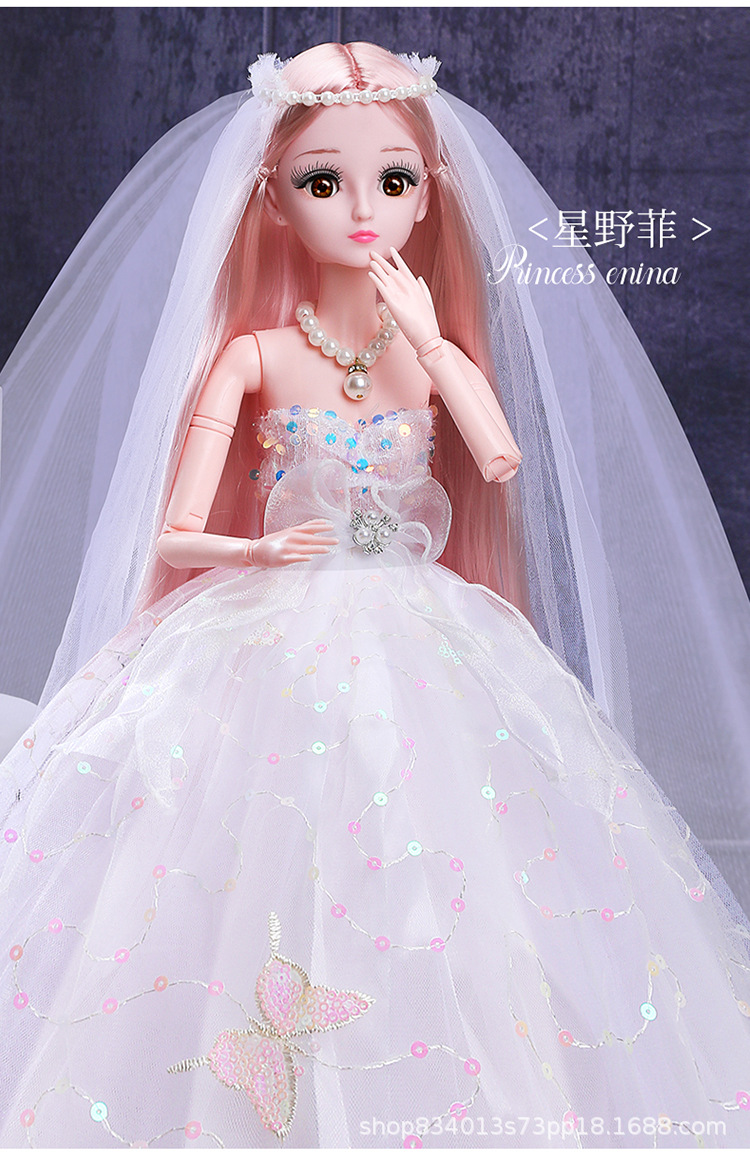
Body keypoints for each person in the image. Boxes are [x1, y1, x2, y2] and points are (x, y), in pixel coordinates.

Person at [1, 41, 749, 1149]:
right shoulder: (252, 355)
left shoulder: (428, 353)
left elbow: (499, 459)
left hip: (422, 623)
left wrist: (436, 346)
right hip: (265, 622)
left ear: (427, 196)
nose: (363, 210)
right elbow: (175, 530)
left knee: (440, 848)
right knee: (232, 851)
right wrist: (256, 551)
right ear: (272, 199)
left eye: (394, 180)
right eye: (324, 181)